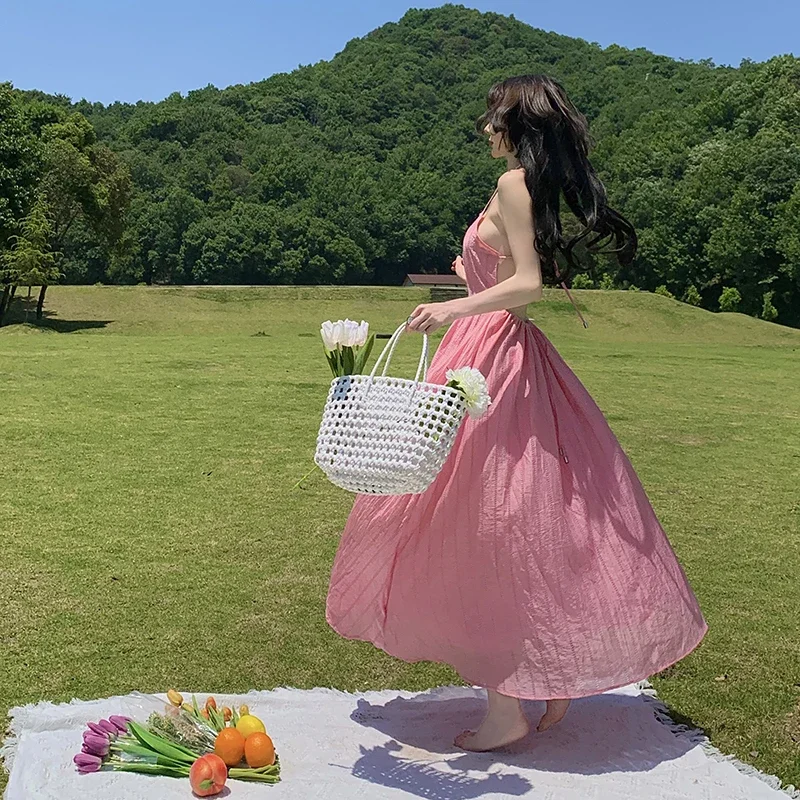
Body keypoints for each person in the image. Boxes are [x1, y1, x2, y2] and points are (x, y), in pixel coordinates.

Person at [325, 74, 708, 752]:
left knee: (486, 524)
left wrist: (451, 306)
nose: (485, 128)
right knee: (528, 517)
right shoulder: (521, 188)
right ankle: (547, 676)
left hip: (489, 360)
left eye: (494, 117)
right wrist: (471, 276)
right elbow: (512, 278)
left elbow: (527, 285)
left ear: (518, 125)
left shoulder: (513, 185)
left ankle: (508, 708)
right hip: (500, 355)